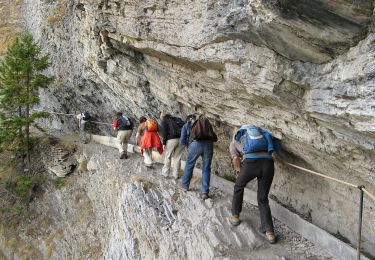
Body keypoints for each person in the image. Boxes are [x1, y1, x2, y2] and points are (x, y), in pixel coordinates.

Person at [229, 124, 276, 244]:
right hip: (268, 163)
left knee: (239, 186)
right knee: (263, 198)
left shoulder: (235, 139)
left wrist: (240, 171)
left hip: (251, 163)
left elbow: (235, 159)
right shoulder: (261, 135)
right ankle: (269, 232)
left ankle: (235, 216)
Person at [180, 114, 217, 200]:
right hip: (208, 144)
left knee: (189, 165)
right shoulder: (205, 124)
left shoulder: (187, 124)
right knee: (206, 168)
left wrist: (187, 145)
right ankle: (204, 192)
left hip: (195, 144)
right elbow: (213, 136)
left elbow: (182, 139)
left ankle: (185, 186)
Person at [160, 112, 185, 179]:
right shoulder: (177, 119)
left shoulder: (164, 121)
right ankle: (176, 175)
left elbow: (164, 133)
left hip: (171, 140)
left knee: (168, 156)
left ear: (162, 116)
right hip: (181, 139)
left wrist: (164, 143)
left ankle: (165, 173)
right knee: (178, 157)